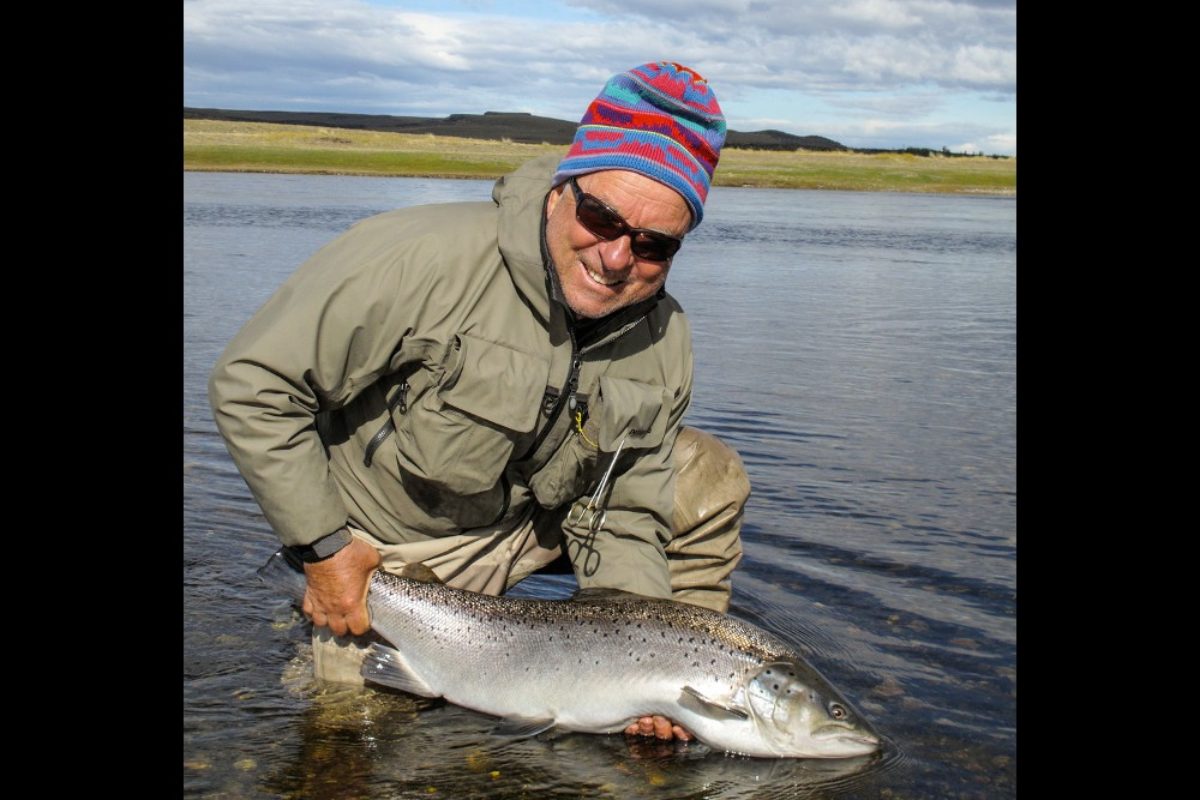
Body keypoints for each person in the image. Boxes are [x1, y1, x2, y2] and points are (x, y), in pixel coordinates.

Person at [209, 61, 750, 742]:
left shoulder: (663, 337)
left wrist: (652, 666)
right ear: (561, 191)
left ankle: (701, 678)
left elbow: (626, 509)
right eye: (600, 217)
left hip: (529, 522)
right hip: (387, 557)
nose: (616, 257)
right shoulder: (419, 258)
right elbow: (253, 384)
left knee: (706, 472)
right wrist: (324, 549)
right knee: (353, 734)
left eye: (652, 244)